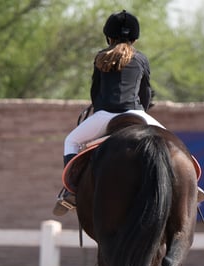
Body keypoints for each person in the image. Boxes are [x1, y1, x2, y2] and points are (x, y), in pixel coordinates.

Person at [53, 10, 164, 216]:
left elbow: (95, 93)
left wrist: (100, 109)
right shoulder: (141, 59)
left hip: (105, 116)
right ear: (135, 38)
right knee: (171, 142)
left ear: (108, 36)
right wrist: (142, 110)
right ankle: (191, 184)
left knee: (71, 141)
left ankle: (72, 191)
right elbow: (145, 93)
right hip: (136, 114)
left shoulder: (100, 57)